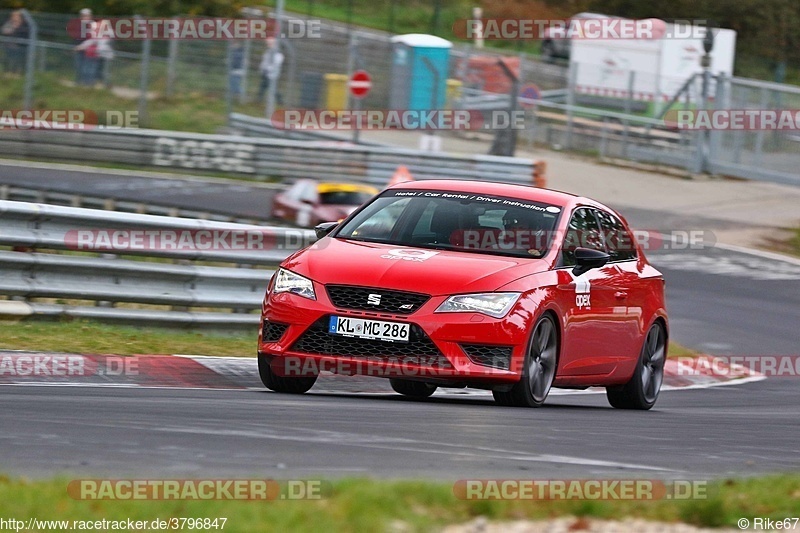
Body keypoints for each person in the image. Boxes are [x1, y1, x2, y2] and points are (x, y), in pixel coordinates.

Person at [1, 10, 29, 75]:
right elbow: (4, 30)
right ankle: (8, 71)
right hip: (9, 45)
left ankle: (17, 73)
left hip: (20, 46)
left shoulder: (24, 24)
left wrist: (14, 30)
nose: (13, 17)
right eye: (12, 16)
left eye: (15, 16)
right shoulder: (9, 22)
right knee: (8, 59)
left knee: (18, 60)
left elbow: (23, 34)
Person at [257, 37, 284, 103]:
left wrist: (268, 69)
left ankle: (279, 100)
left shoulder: (277, 53)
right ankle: (259, 99)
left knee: (272, 88)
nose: (268, 44)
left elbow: (276, 63)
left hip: (271, 74)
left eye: (270, 43)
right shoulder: (268, 51)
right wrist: (262, 68)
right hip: (266, 73)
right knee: (263, 87)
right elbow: (265, 61)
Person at [74, 8, 92, 84]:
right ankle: (79, 81)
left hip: (88, 49)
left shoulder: (92, 25)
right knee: (79, 65)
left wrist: (83, 46)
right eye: (83, 16)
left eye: (87, 16)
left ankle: (87, 82)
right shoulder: (78, 25)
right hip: (79, 48)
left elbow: (91, 38)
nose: (85, 17)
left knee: (87, 66)